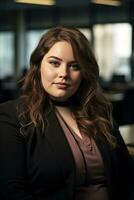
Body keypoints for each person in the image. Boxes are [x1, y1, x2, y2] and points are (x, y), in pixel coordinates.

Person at [0, 27, 133, 200]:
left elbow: (127, 175)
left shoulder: (100, 113)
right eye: (54, 63)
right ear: (38, 65)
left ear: (84, 73)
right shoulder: (13, 116)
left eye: (74, 66)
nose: (63, 74)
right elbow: (12, 191)